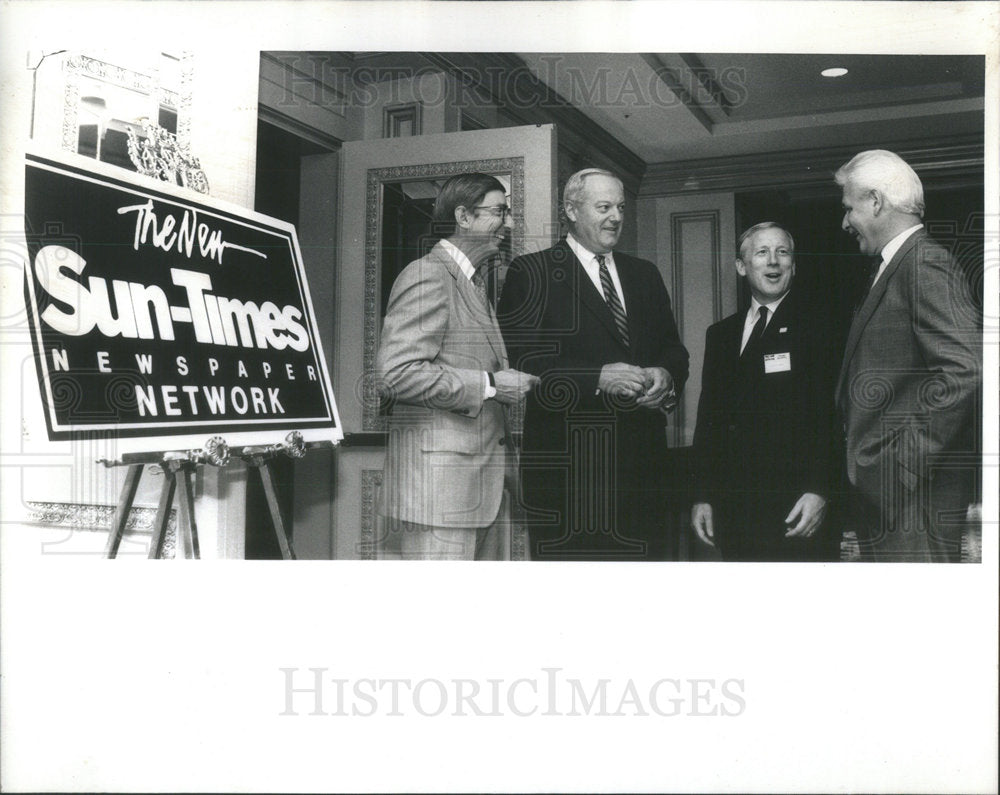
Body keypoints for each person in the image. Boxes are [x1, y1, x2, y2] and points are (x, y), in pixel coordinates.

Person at [497, 168, 689, 561]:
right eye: (604, 207)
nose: (616, 217)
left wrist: (666, 376)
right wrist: (597, 378)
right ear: (571, 210)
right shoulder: (531, 272)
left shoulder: (644, 275)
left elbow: (673, 349)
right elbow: (523, 359)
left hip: (644, 472)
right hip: (569, 475)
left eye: (620, 207)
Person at [376, 173, 538, 560]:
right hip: (440, 499)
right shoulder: (428, 274)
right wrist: (490, 385)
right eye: (499, 211)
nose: (508, 223)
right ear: (463, 216)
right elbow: (395, 375)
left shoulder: (474, 285)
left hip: (480, 493)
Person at [834, 149, 981, 562]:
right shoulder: (899, 264)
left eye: (848, 208)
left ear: (875, 201)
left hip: (914, 502)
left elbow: (965, 370)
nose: (845, 223)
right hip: (896, 502)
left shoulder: (924, 263)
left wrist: (898, 469)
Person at [690, 222, 842, 562]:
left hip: (796, 508)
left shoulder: (821, 326)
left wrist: (820, 490)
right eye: (762, 252)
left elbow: (831, 415)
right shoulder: (721, 334)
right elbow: (709, 419)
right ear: (741, 266)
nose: (773, 261)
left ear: (794, 266)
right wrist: (702, 495)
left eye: (782, 252)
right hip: (734, 509)